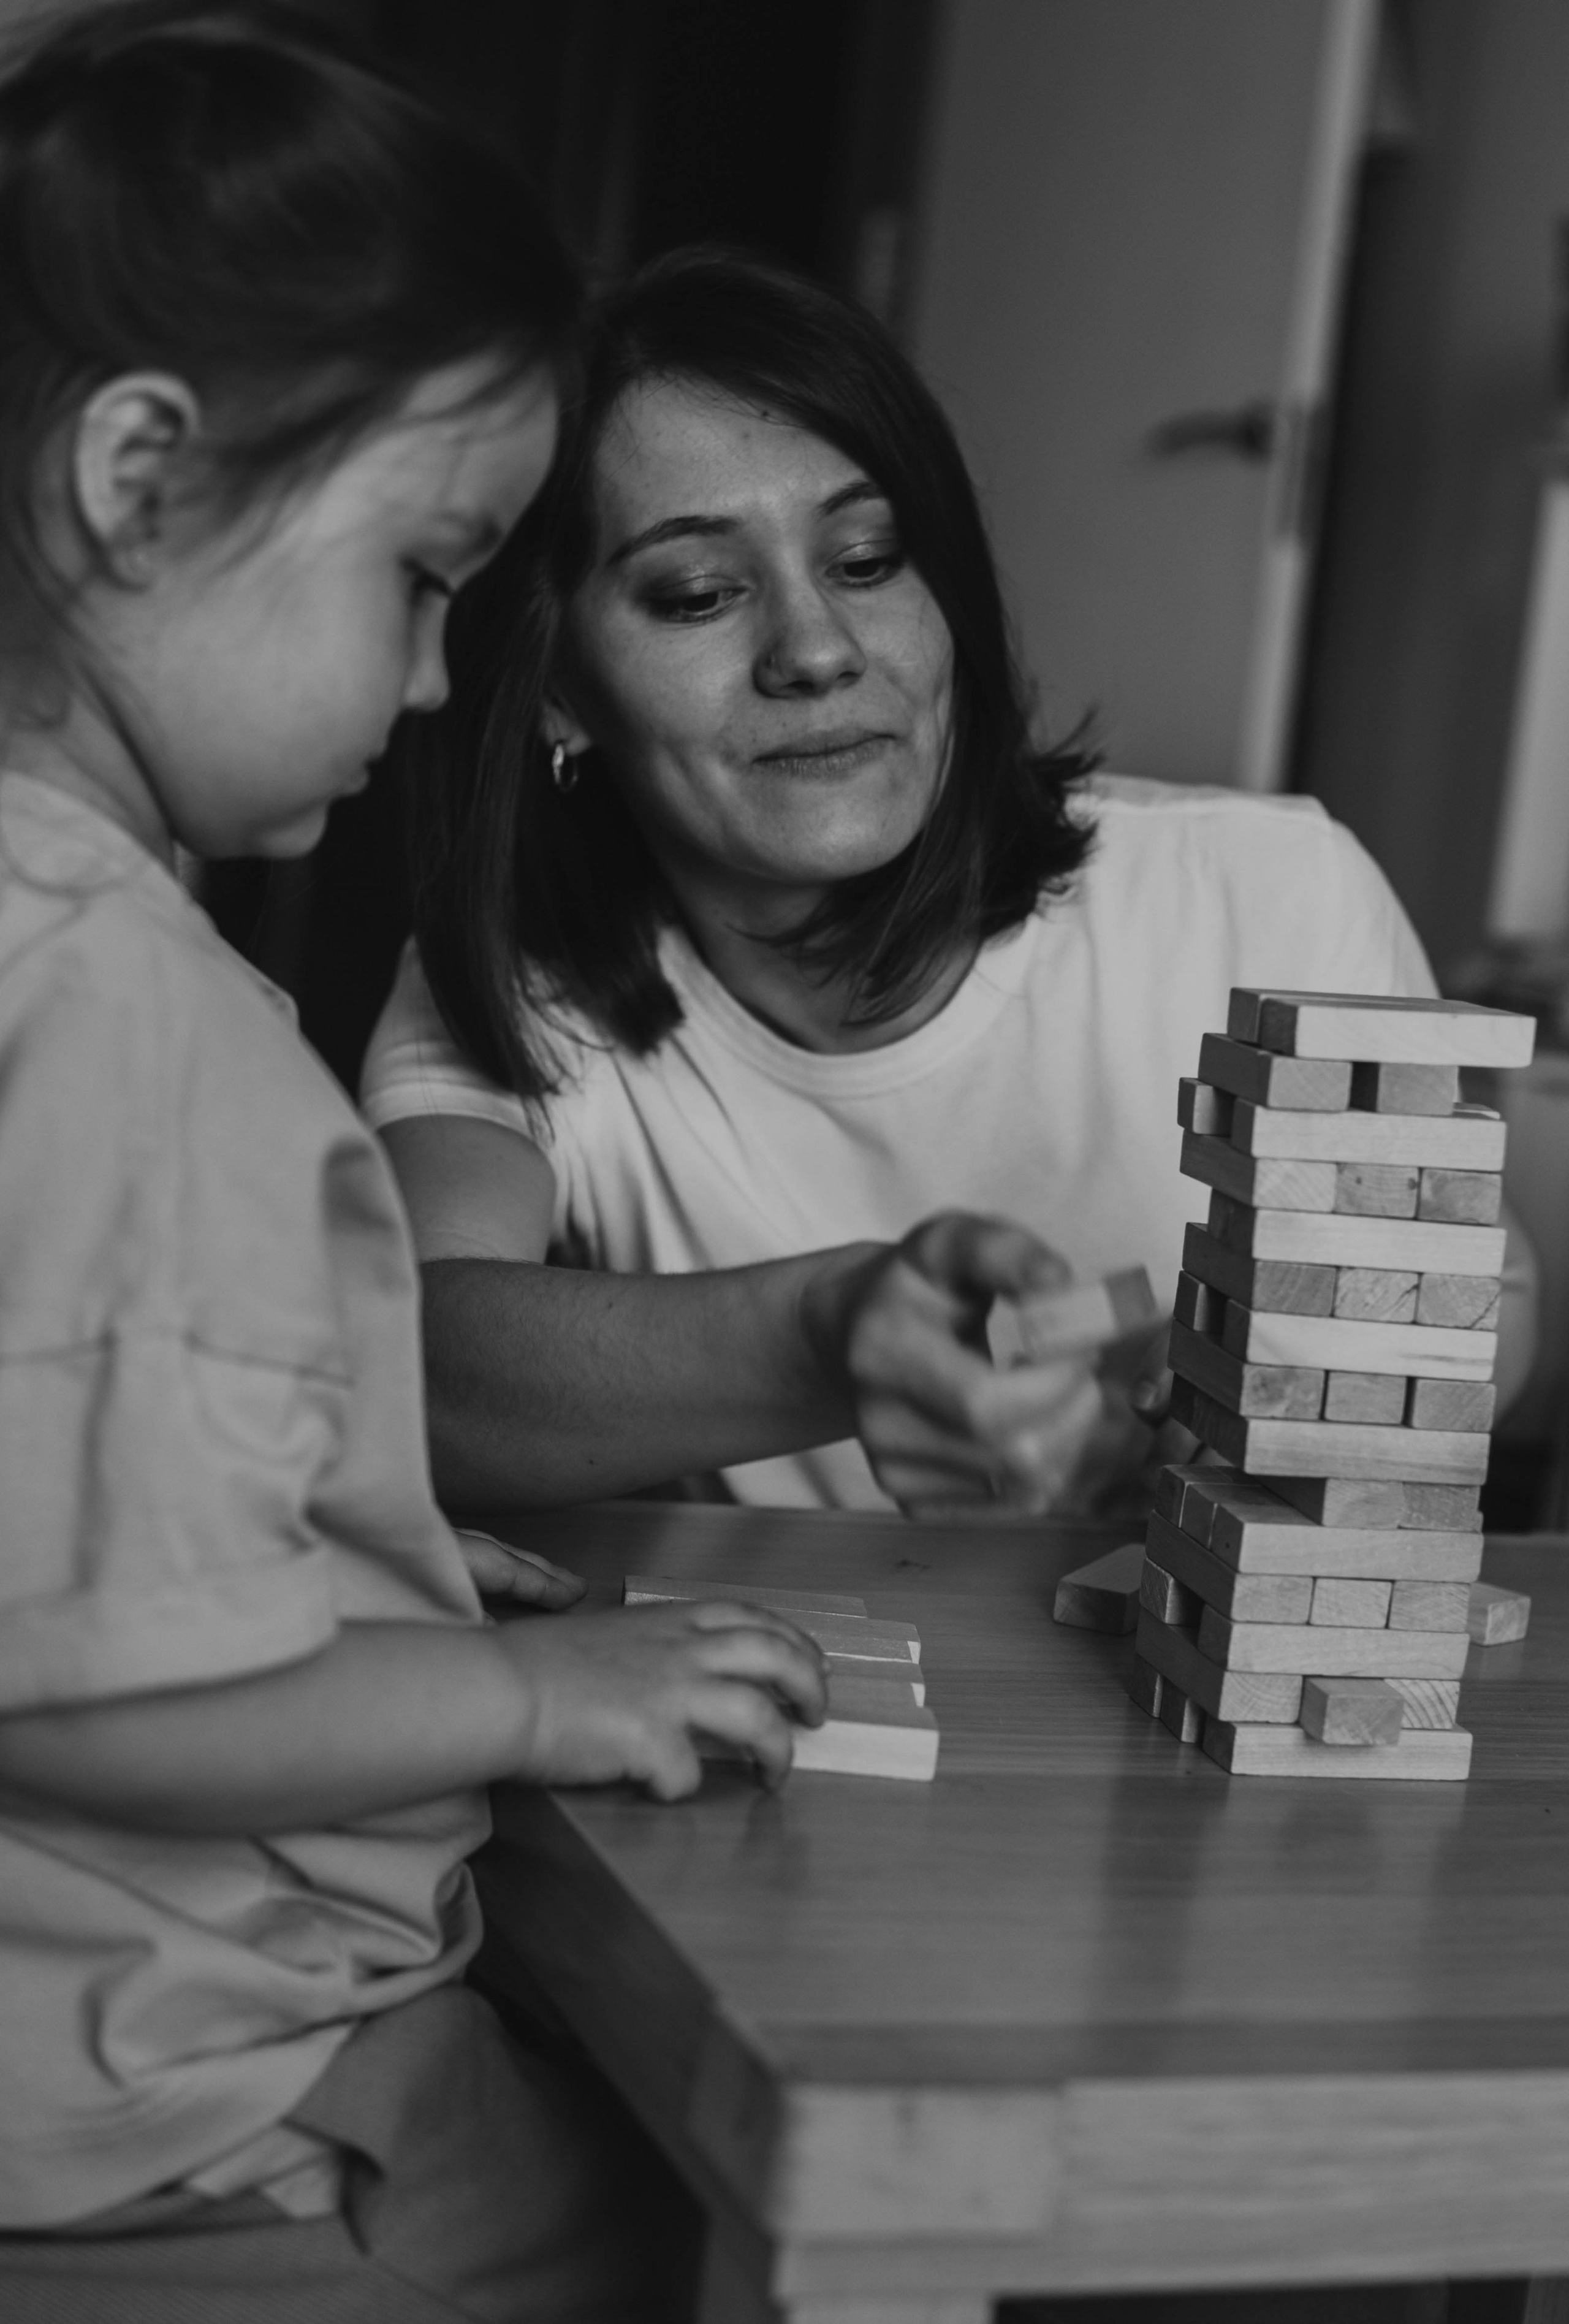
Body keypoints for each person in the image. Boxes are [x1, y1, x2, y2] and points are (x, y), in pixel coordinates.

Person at [0, 10, 823, 2318]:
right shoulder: (113, 1006)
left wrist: (311, 1500)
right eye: (427, 574)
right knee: (746, 2226)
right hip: (195, 2125)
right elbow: (79, 1686)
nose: (454, 680)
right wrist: (539, 1702)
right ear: (136, 482)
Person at [363, 250, 1536, 1518]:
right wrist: (826, 1335)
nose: (816, 651)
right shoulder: (506, 975)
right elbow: (411, 1365)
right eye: (698, 593)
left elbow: (1484, 1291)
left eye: (867, 561)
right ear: (556, 690)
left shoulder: (1263, 890)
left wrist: (1253, 1422)